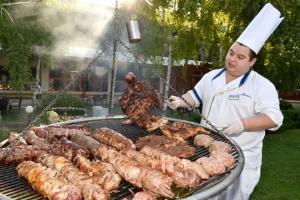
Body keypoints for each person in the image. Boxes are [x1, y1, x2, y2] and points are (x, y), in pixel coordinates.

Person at [168, 3, 284, 200]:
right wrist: (180, 101)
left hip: (242, 160)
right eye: (231, 53)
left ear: (252, 62)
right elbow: (195, 97)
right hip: (204, 153)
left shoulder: (262, 86)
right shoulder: (211, 76)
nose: (232, 60)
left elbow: (274, 119)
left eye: (240, 57)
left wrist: (243, 124)